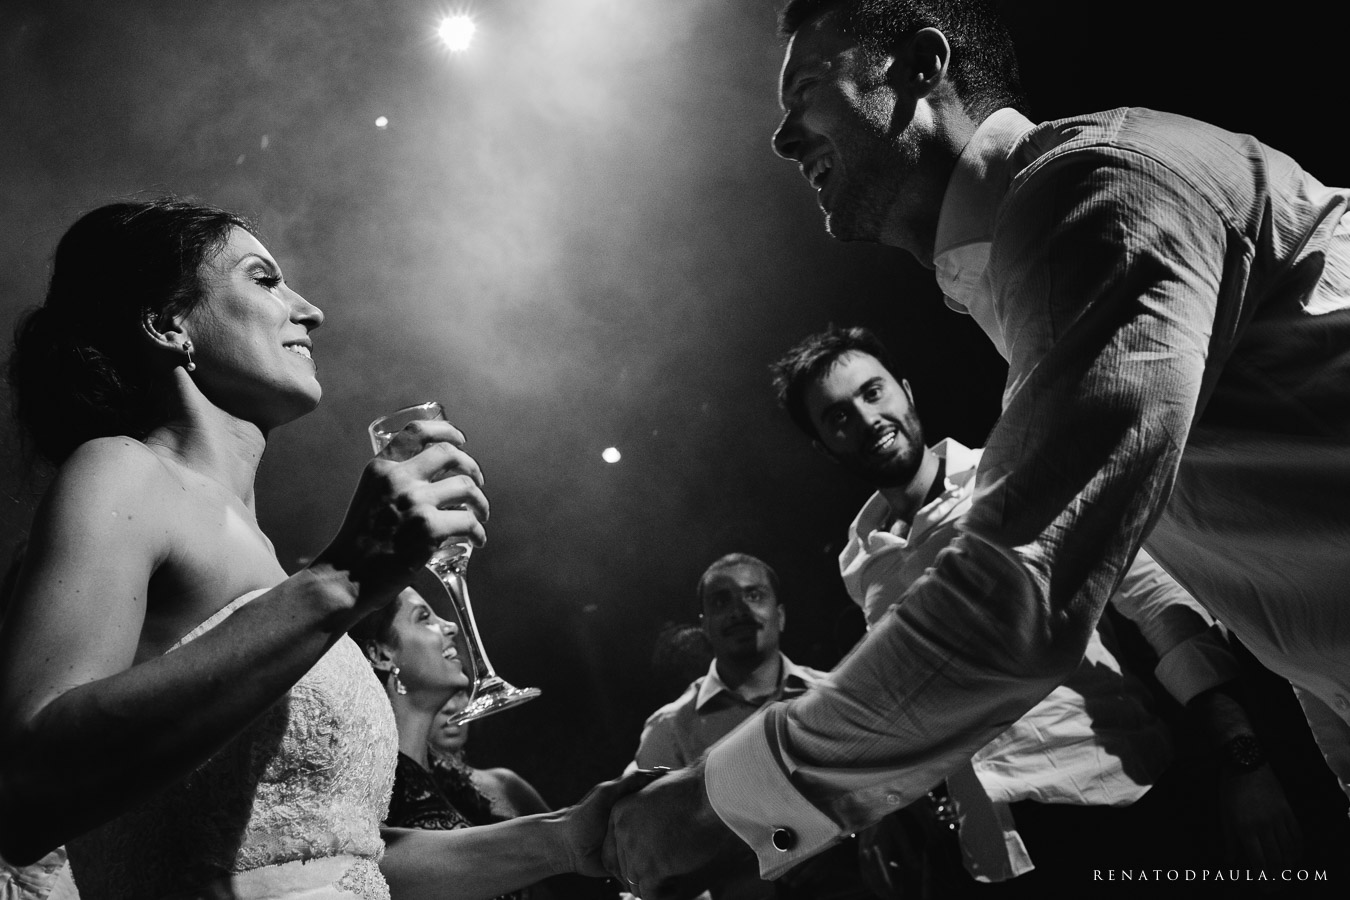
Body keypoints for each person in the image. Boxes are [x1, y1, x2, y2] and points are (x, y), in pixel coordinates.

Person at [603, 0, 1350, 894]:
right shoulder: (1023, 261)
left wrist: (728, 802)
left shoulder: (1092, 194)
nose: (780, 137)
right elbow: (1279, 539)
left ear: (921, 67)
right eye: (836, 417)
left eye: (807, 90)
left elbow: (1024, 590)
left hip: (1121, 807)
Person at [0, 197, 646, 900]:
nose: (311, 312)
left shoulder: (263, 553)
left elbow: (337, 854)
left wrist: (570, 837)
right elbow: (25, 789)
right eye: (264, 279)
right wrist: (345, 577)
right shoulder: (121, 472)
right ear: (167, 324)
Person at [770, 324, 1302, 892]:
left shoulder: (1016, 478)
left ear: (906, 390)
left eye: (872, 392)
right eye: (839, 416)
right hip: (997, 853)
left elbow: (1160, 607)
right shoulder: (861, 564)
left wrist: (1244, 759)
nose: (867, 418)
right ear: (824, 446)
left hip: (1113, 799)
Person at [429, 688, 551, 824]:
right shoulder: (412, 792)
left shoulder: (504, 783)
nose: (451, 707)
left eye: (459, 693)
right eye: (435, 692)